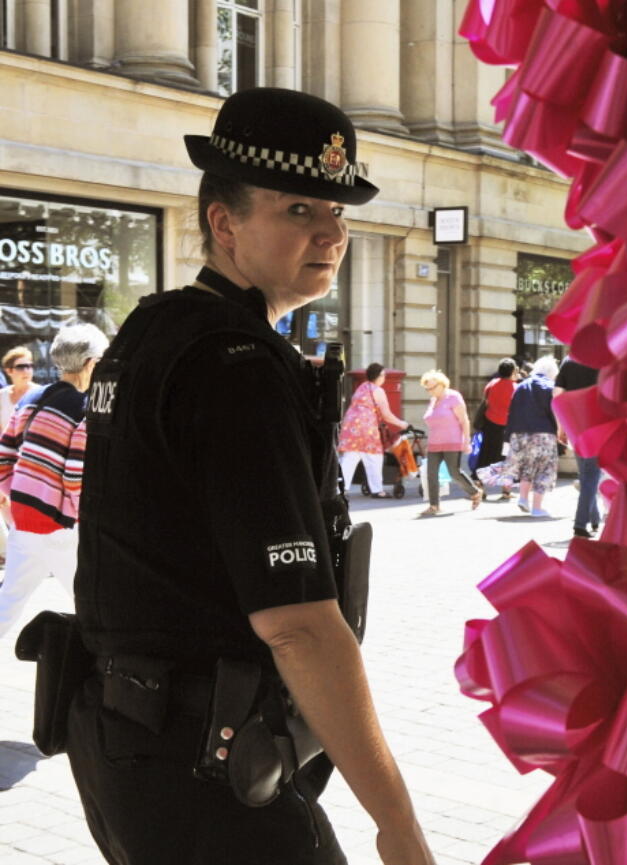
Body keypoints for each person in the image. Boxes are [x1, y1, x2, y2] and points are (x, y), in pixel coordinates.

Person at [63, 88, 435, 864]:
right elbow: (297, 624)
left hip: (130, 742)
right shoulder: (235, 366)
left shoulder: (152, 329)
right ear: (223, 222)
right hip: (203, 764)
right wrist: (396, 822)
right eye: (300, 209)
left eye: (339, 211)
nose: (332, 231)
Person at [0, 323, 107, 637]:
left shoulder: (32, 399)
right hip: (60, 527)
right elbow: (76, 475)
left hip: (24, 519)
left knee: (8, 601)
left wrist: (19, 494)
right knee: (94, 603)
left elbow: (4, 456)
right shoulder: (84, 409)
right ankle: (105, 676)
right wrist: (81, 518)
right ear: (90, 364)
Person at [338, 362, 409, 498]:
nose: (384, 378)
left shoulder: (361, 387)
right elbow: (386, 415)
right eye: (383, 375)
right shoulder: (378, 390)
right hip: (366, 429)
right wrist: (402, 424)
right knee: (374, 457)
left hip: (350, 427)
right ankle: (377, 490)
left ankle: (340, 489)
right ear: (377, 376)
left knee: (349, 458)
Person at [418, 369, 481, 516]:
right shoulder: (433, 400)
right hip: (435, 443)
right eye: (427, 389)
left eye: (432, 387)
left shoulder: (454, 397)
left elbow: (464, 421)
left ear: (442, 384)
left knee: (454, 472)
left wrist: (466, 441)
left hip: (452, 441)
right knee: (431, 473)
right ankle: (434, 506)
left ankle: (475, 492)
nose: (430, 391)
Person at [505, 355, 560, 517]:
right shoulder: (550, 386)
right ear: (552, 372)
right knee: (544, 469)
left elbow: (511, 411)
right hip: (543, 433)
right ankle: (537, 507)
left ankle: (523, 498)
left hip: (520, 433)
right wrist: (560, 431)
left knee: (527, 466)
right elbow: (556, 411)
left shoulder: (520, 386)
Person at [553, 356, 601, 538]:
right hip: (598, 424)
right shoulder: (605, 359)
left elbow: (557, 394)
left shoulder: (568, 361)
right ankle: (580, 524)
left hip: (575, 425)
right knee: (591, 476)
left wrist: (561, 426)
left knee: (587, 475)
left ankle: (594, 517)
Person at [0, 345, 38, 564]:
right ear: (9, 371)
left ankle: (26, 555)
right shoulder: (2, 397)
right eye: (21, 366)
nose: (27, 370)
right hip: (6, 462)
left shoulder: (41, 394)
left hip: (33, 463)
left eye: (30, 365)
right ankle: (12, 554)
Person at [475, 358, 516, 476]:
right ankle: (506, 489)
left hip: (490, 423)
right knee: (506, 455)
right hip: (507, 426)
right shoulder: (515, 387)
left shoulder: (491, 384)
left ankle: (479, 482)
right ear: (512, 371)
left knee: (485, 453)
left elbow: (486, 401)